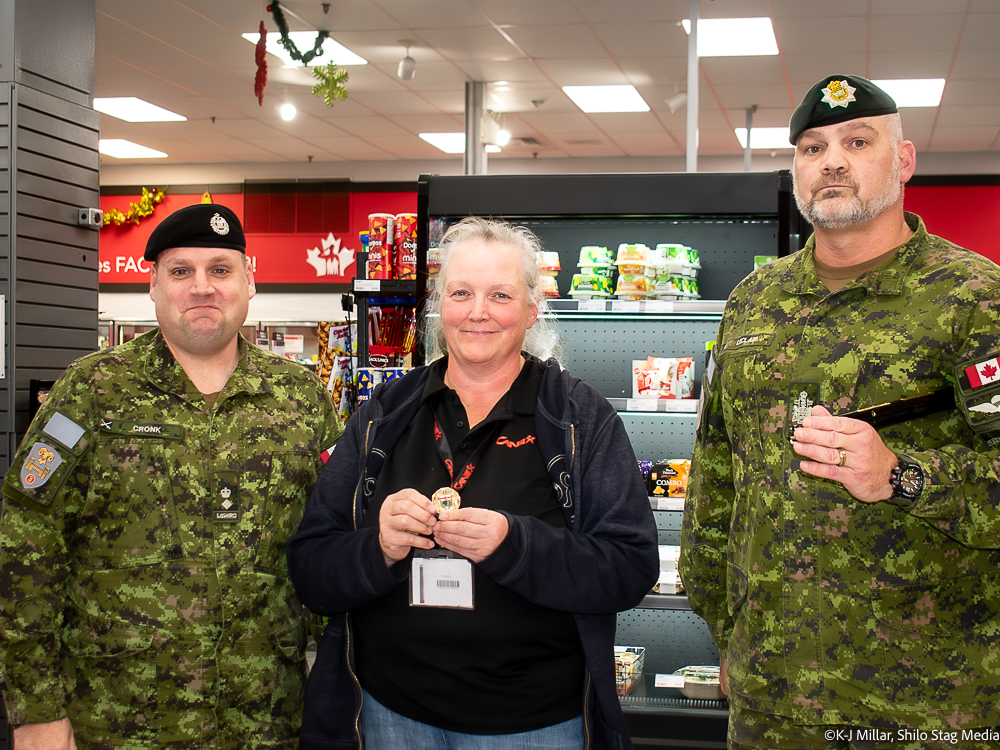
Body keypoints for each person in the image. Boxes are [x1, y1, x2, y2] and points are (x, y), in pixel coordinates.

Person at [679, 74, 1000, 749]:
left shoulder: (974, 298)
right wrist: (724, 629)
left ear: (904, 160)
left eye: (858, 141)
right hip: (772, 695)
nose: (832, 161)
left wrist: (903, 475)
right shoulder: (754, 301)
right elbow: (716, 477)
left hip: (929, 701)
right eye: (812, 147)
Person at [287, 217, 658, 750]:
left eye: (500, 295)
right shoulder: (383, 416)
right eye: (461, 293)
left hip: (534, 725)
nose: (478, 312)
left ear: (532, 312)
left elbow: (630, 566)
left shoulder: (579, 418)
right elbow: (311, 568)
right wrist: (379, 547)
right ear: (440, 306)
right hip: (388, 716)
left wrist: (517, 546)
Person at [0, 203, 343, 749]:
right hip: (116, 719)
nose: (202, 287)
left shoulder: (300, 399)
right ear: (153, 286)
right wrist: (35, 708)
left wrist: (341, 691)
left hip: (265, 717)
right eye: (181, 271)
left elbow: (331, 546)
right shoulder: (90, 392)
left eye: (220, 269)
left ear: (249, 281)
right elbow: (25, 548)